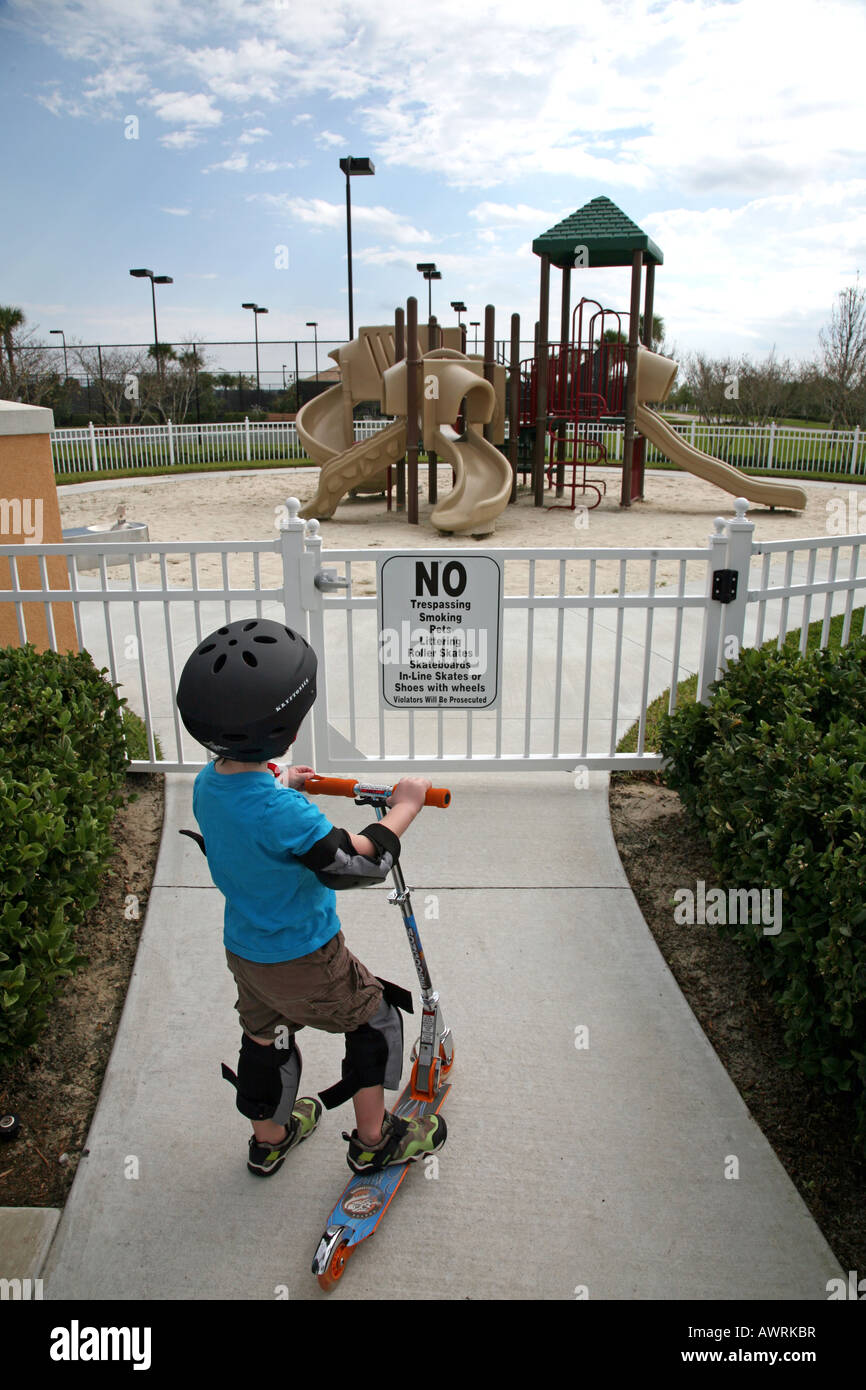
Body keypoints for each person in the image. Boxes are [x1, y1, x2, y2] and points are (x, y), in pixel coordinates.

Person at [175, 617, 447, 1178]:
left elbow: (250, 811)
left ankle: (269, 1139)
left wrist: (282, 781)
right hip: (305, 955)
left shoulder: (208, 783)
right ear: (288, 725)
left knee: (264, 1036)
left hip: (246, 952)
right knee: (374, 1021)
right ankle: (373, 1141)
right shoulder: (284, 813)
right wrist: (407, 805)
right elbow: (359, 863)